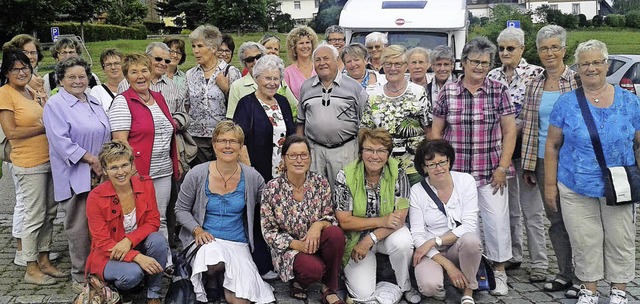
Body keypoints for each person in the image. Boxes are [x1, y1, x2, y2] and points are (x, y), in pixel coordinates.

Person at [544, 39, 639, 304]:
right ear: (578, 68)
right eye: (585, 63)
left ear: (606, 65)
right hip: (575, 182)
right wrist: (550, 186)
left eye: (597, 62)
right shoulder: (566, 103)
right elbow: (552, 145)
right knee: (585, 239)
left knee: (620, 238)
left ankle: (619, 289)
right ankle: (589, 289)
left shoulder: (629, 102)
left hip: (619, 184)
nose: (591, 68)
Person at [431, 36, 517, 296]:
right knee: (463, 226)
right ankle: (473, 272)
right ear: (463, 63)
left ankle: (499, 271)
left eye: (485, 63)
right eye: (474, 62)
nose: (479, 67)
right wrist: (439, 169)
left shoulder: (498, 90)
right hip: (455, 175)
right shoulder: (448, 91)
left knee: (496, 223)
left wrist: (502, 167)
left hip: (490, 171)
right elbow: (436, 132)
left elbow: (510, 131)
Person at [175, 121, 276, 304]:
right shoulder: (197, 174)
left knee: (240, 300)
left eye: (233, 141)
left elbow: (270, 202)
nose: (227, 146)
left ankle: (223, 281)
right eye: (222, 141)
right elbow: (180, 209)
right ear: (214, 145)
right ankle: (212, 277)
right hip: (207, 240)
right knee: (213, 259)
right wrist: (197, 230)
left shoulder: (252, 176)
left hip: (237, 241)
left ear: (240, 147)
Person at [520, 24, 581, 298]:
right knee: (555, 219)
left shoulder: (577, 80)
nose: (549, 53)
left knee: (579, 219)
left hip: (576, 161)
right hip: (545, 161)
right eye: (544, 48)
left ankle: (585, 275)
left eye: (555, 47)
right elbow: (531, 127)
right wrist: (529, 165)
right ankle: (565, 273)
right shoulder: (534, 84)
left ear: (564, 50)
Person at [42, 56, 111, 288]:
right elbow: (61, 142)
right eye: (71, 77)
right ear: (60, 79)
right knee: (79, 227)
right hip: (76, 174)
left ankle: (100, 270)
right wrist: (92, 159)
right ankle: (80, 275)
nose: (78, 81)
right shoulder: (55, 105)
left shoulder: (92, 101)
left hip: (100, 173)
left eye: (82, 76)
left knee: (100, 225)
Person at [487, 27, 548, 282]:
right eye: (501, 48)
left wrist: (515, 125)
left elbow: (537, 113)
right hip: (502, 153)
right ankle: (513, 254)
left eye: (510, 48)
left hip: (528, 150)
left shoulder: (535, 74)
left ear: (521, 49)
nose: (504, 53)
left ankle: (540, 262)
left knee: (532, 211)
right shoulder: (492, 75)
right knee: (509, 208)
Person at [109, 53, 180, 267]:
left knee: (161, 217)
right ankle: (137, 260)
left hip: (163, 170)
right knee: (139, 220)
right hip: (139, 173)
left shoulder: (158, 98)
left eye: (144, 70)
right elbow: (120, 144)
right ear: (126, 76)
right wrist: (132, 173)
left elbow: (169, 131)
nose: (140, 76)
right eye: (134, 72)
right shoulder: (123, 102)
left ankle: (164, 261)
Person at [334, 128, 421, 304]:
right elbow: (344, 221)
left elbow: (400, 218)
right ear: (361, 152)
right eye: (369, 150)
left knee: (403, 243)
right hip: (356, 237)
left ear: (388, 154)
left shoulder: (398, 172)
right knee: (362, 293)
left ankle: (405, 286)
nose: (375, 156)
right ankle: (388, 294)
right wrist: (381, 220)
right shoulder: (346, 175)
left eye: (381, 151)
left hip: (388, 233)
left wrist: (371, 239)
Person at [0, 47, 63, 285]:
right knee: (33, 216)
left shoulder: (29, 91)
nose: (21, 72)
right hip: (28, 163)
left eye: (25, 67)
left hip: (48, 160)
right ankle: (31, 266)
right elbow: (12, 132)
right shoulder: (5, 94)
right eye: (15, 69)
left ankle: (45, 260)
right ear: (6, 72)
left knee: (49, 214)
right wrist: (44, 127)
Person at [261, 135, 346, 304]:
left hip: (317, 242)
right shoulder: (272, 189)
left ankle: (328, 288)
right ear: (284, 159)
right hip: (291, 249)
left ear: (310, 157)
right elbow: (269, 231)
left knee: (335, 234)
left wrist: (317, 225)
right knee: (313, 270)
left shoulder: (320, 182)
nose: (299, 160)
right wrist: (298, 245)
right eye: (293, 156)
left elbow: (330, 216)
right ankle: (299, 281)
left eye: (303, 155)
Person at [85, 141, 168, 304]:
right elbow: (102, 242)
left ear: (132, 165)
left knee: (158, 241)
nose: (120, 172)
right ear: (105, 170)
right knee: (132, 274)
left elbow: (153, 221)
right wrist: (137, 257)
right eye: (114, 167)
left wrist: (128, 241)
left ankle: (153, 293)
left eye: (124, 165)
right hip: (107, 253)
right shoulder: (95, 197)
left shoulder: (146, 184)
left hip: (133, 244)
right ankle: (118, 289)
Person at [409, 139, 482, 304]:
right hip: (431, 252)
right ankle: (448, 275)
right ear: (424, 168)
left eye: (442, 161)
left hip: (458, 245)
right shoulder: (417, 191)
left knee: (471, 240)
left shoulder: (466, 181)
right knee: (429, 287)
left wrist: (436, 240)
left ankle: (468, 289)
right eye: (432, 164)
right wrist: (448, 265)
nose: (438, 168)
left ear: (449, 161)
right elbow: (418, 234)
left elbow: (470, 225)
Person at [296, 43, 369, 187]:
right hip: (315, 151)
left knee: (345, 194)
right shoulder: (306, 87)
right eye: (317, 60)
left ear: (337, 61)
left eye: (326, 58)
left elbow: (365, 124)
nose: (322, 63)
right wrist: (300, 150)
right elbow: (300, 123)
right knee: (315, 193)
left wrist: (362, 152)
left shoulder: (354, 87)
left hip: (345, 150)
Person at [362, 44, 430, 185]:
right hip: (383, 168)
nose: (393, 68)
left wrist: (428, 161)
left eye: (398, 64)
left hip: (414, 168)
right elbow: (365, 131)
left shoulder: (418, 92)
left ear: (406, 66)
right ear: (382, 66)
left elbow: (428, 128)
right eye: (388, 64)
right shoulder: (373, 95)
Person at [233, 55, 295, 181]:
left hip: (285, 173)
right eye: (267, 78)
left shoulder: (282, 102)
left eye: (276, 79)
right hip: (257, 174)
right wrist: (250, 176)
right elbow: (239, 143)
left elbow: (291, 136)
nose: (272, 83)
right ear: (257, 79)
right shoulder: (246, 104)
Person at [186, 25, 241, 166]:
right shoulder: (190, 74)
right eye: (193, 46)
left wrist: (226, 89)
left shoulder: (230, 72)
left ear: (213, 48)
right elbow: (186, 105)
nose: (196, 51)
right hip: (197, 138)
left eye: (200, 46)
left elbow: (240, 105)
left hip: (223, 137)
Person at [118, 42, 186, 115]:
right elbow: (120, 114)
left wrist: (176, 121)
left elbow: (182, 112)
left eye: (167, 61)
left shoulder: (172, 85)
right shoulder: (126, 84)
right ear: (147, 58)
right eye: (158, 59)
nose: (163, 64)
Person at [284, 26, 318, 101]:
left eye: (307, 42)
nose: (305, 46)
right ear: (294, 47)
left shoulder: (319, 68)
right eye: (301, 43)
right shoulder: (287, 73)